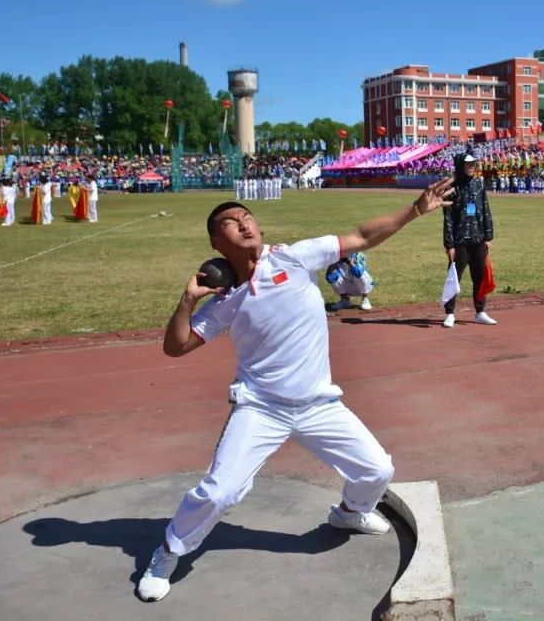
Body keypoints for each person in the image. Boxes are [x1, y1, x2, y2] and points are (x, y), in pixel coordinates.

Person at [136, 177, 455, 603]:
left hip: (318, 403)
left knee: (377, 470)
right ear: (217, 241)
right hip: (261, 407)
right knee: (221, 491)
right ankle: (169, 550)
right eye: (232, 223)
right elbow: (175, 348)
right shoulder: (224, 301)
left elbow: (361, 236)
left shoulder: (296, 256)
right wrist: (187, 300)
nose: (245, 224)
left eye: (248, 218)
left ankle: (350, 513)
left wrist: (414, 210)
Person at [442, 152, 496, 328]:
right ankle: (450, 313)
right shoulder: (452, 187)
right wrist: (449, 244)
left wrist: (488, 236)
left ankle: (480, 312)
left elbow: (486, 210)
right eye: (468, 164)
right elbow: (448, 217)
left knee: (479, 277)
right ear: (460, 165)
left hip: (478, 239)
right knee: (454, 277)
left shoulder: (479, 184)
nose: (472, 166)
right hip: (460, 241)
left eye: (473, 163)